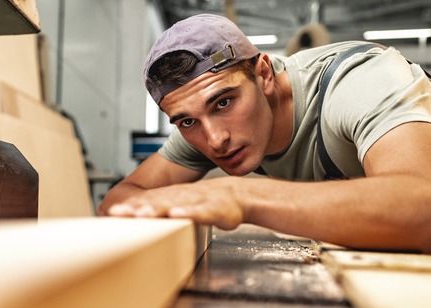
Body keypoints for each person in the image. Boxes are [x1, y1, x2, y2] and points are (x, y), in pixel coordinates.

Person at [98, 14, 431, 253]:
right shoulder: (202, 121)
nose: (214, 141)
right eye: (186, 121)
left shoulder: (361, 81)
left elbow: (423, 211)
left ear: (264, 74)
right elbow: (119, 199)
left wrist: (241, 195)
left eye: (224, 102)